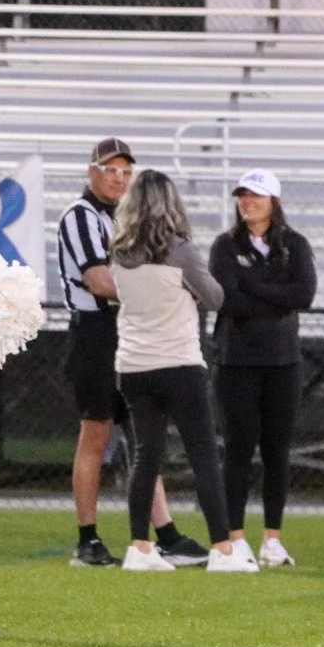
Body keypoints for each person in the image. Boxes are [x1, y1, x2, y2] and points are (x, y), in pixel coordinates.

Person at [56, 138, 210, 568]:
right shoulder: (80, 216)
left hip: (132, 328)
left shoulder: (129, 219)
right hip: (96, 333)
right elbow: (98, 280)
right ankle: (87, 537)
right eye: (111, 170)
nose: (119, 178)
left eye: (126, 171)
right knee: (96, 433)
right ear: (92, 171)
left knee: (144, 438)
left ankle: (165, 533)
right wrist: (158, 296)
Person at [109, 170, 253, 574]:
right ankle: (223, 549)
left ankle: (140, 546)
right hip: (179, 363)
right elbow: (216, 297)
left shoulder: (118, 252)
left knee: (146, 456)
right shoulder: (181, 251)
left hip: (134, 365)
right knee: (203, 455)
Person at [210, 169, 317, 568]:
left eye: (255, 195)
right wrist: (276, 298)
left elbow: (304, 294)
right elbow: (228, 299)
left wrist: (253, 286)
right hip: (236, 361)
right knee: (238, 449)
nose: (247, 202)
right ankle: (235, 536)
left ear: (274, 201)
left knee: (277, 451)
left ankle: (273, 538)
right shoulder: (225, 246)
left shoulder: (295, 245)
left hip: (283, 361)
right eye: (243, 195)